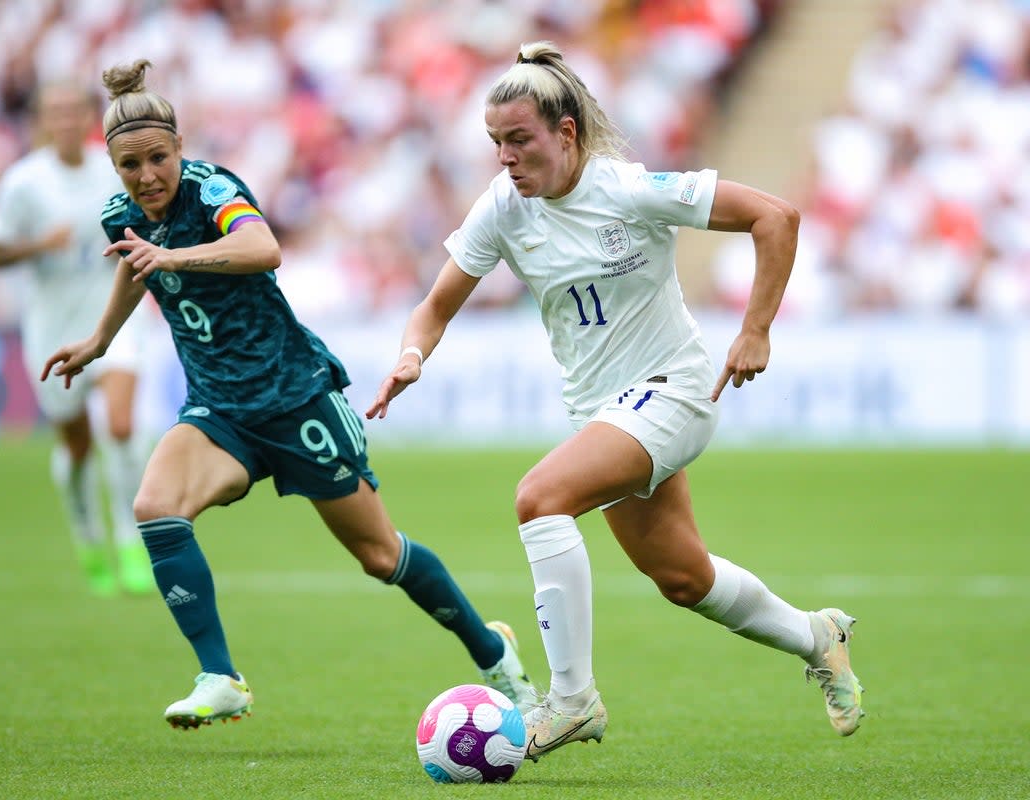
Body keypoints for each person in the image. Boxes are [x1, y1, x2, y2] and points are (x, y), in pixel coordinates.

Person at [367, 41, 865, 762]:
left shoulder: (630, 190)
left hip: (676, 391)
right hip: (606, 411)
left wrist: (756, 328)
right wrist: (412, 354)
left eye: (520, 140)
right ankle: (819, 636)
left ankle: (570, 701)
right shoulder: (504, 209)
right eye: (496, 143)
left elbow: (776, 217)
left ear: (565, 134)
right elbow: (435, 305)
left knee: (540, 498)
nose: (505, 157)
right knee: (683, 576)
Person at [40, 59, 537, 730]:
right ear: (113, 165)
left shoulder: (213, 190)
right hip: (219, 409)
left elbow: (264, 247)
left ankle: (492, 651)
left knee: (379, 555)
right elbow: (136, 265)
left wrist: (175, 257)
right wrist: (100, 340)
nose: (147, 176)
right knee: (155, 508)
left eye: (158, 158)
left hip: (297, 399)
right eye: (130, 165)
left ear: (180, 149)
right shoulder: (119, 215)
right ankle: (219, 676)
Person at [0, 79, 154, 597]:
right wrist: (38, 244)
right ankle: (88, 537)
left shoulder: (114, 170)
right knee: (77, 445)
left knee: (122, 425)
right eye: (53, 110)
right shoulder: (24, 182)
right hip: (53, 325)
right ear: (41, 119)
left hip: (115, 311)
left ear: (88, 116)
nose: (64, 119)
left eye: (72, 109)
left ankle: (131, 539)